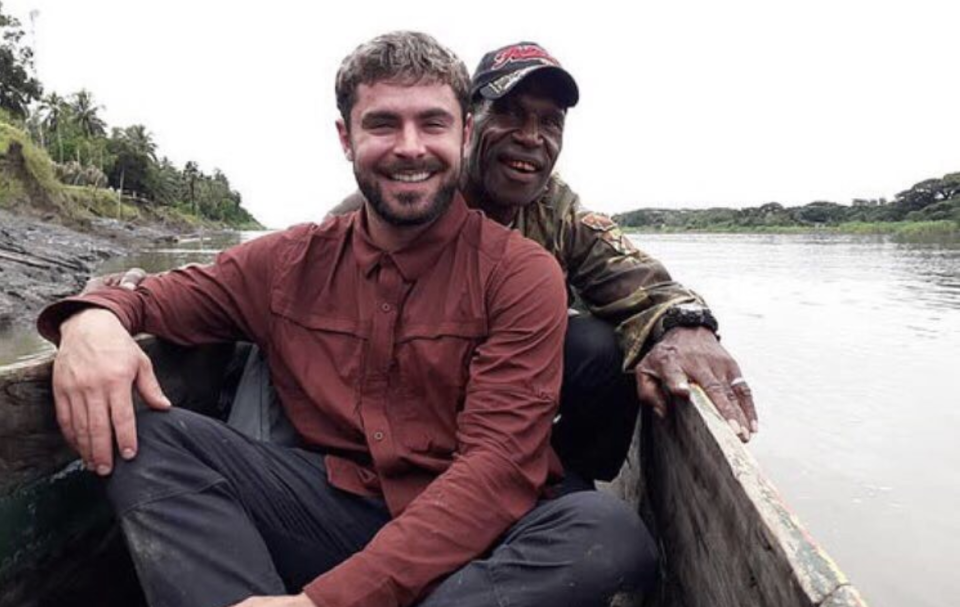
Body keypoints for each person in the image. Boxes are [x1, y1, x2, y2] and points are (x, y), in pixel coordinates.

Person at [38, 32, 656, 607]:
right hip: (334, 507)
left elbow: (495, 469)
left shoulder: (521, 273)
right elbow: (154, 297)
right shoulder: (286, 260)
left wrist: (320, 602)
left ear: (463, 135)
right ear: (345, 137)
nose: (410, 147)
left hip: (479, 528)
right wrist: (90, 322)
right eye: (383, 123)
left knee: (605, 531)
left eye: (432, 124)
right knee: (141, 433)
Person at [330, 41, 758, 458]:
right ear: (467, 125)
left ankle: (566, 477)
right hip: (404, 399)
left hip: (504, 400)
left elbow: (638, 280)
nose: (531, 137)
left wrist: (686, 326)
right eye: (510, 113)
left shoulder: (557, 211)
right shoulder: (409, 192)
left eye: (550, 122)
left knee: (599, 347)